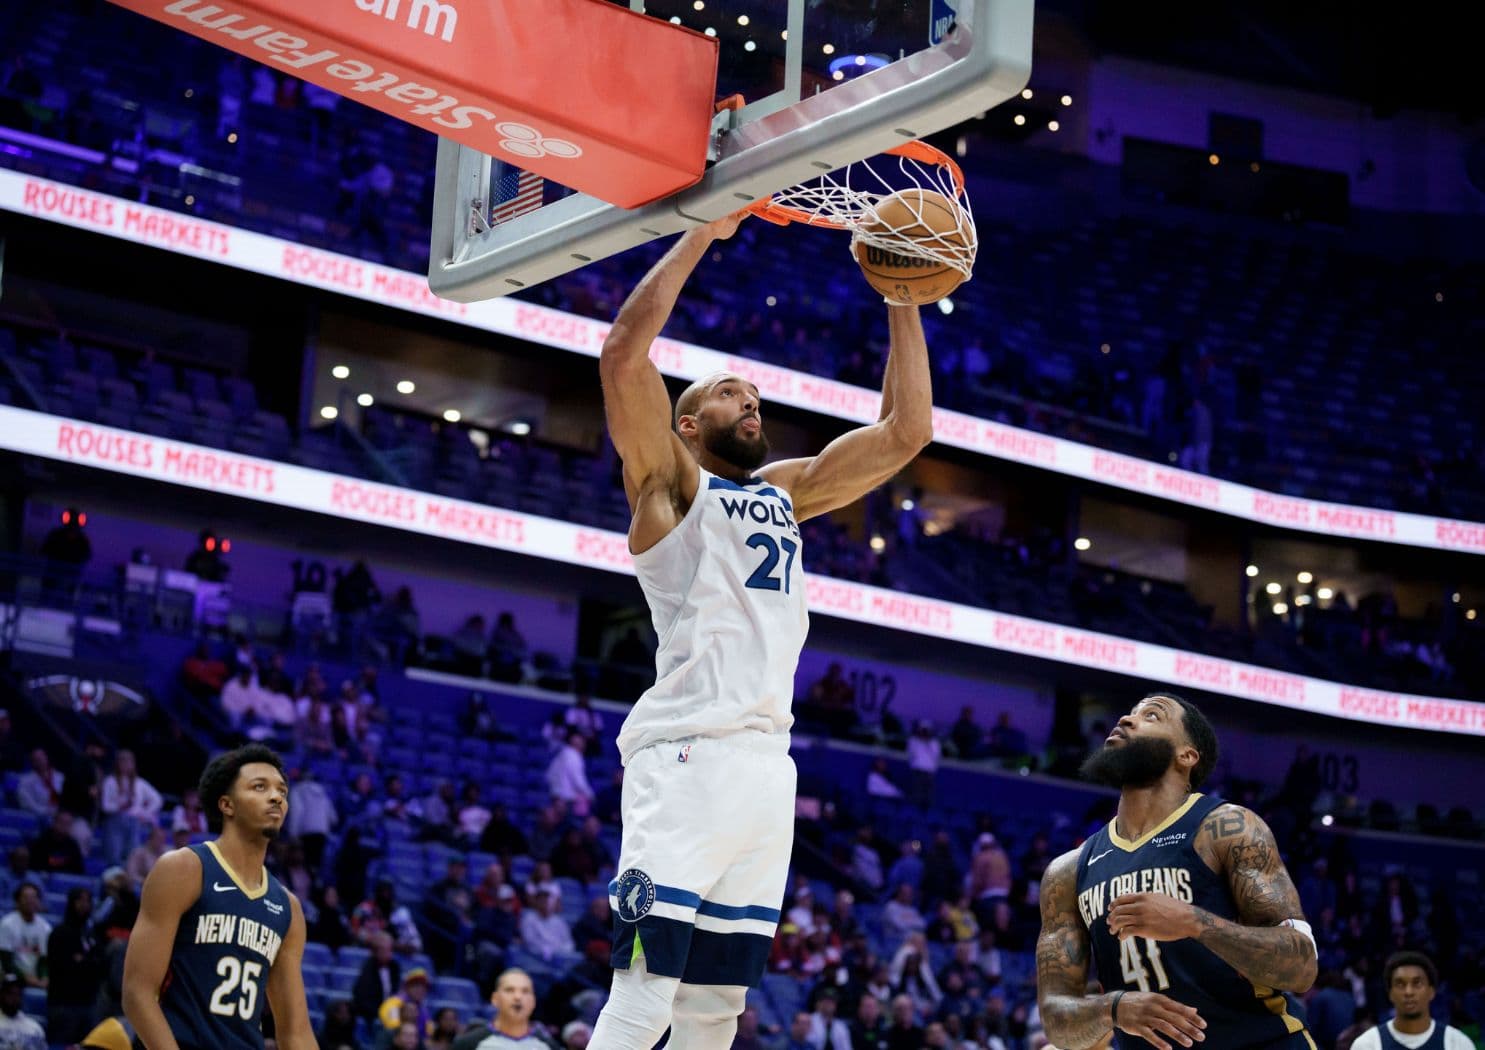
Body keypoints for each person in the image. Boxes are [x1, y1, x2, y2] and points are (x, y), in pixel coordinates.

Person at [590, 211, 933, 1048]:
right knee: (642, 992)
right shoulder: (668, 488)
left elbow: (905, 432)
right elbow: (622, 355)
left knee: (713, 1010)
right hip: (686, 755)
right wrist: (706, 228)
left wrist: (900, 293)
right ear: (685, 424)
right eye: (723, 393)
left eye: (752, 393)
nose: (748, 398)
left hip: (762, 767)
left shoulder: (784, 491)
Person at [1036, 692, 1317, 1050]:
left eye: (1152, 715)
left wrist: (1193, 922)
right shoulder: (1067, 870)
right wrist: (1114, 1008)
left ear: (1187, 756)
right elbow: (1055, 1019)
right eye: (1128, 712)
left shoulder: (1227, 828)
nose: (1125, 719)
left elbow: (1302, 966)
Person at [122, 744, 315, 1050]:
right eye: (259, 787)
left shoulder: (287, 907)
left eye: (282, 790)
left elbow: (296, 1033)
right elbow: (138, 992)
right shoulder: (184, 869)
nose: (277, 797)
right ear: (227, 805)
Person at [1348, 952, 1474, 1050]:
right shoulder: (1367, 1045)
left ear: (1431, 991)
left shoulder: (1458, 1044)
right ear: (1390, 994)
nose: (1409, 992)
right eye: (1400, 984)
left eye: (1417, 984)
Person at [450, 968, 556, 1049]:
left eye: (525, 991)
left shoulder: (549, 1046)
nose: (518, 997)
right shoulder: (467, 1044)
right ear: (495, 999)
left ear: (533, 1001)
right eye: (509, 990)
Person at [0, 974, 45, 1050]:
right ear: (2, 995)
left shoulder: (34, 1029)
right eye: (10, 993)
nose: (14, 998)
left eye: (18, 993)